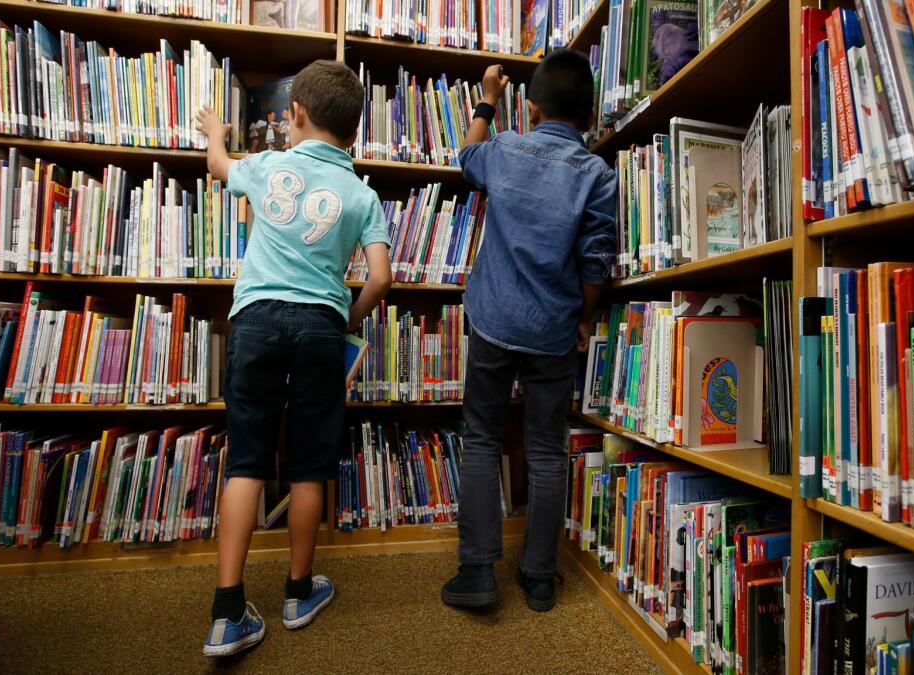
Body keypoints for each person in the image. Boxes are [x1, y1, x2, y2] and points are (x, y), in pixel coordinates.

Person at [194, 59, 393, 657]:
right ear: (355, 132)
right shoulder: (362, 195)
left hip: (254, 321)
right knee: (309, 463)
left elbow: (218, 167)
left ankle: (228, 612)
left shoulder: (268, 165)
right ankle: (298, 592)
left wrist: (216, 135)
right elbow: (381, 276)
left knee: (246, 460)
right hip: (319, 327)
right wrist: (347, 319)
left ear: (295, 115)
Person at [440, 50, 616, 612]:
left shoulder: (505, 147)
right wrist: (585, 319)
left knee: (483, 439)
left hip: (493, 320)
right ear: (588, 118)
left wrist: (488, 98)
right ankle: (539, 577)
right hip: (552, 331)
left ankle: (476, 572)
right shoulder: (597, 175)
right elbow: (596, 263)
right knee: (546, 448)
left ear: (532, 109)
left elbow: (466, 155)